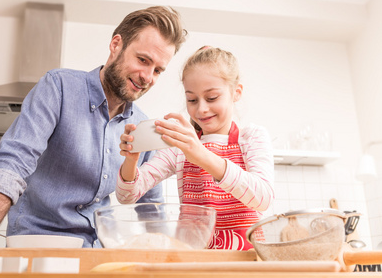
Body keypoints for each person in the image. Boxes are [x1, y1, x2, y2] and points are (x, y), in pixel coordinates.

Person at [0, 6, 187, 248]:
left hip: (98, 251)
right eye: (143, 60)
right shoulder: (58, 88)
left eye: (158, 70)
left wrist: (170, 258)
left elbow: (151, 207)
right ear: (116, 45)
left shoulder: (141, 125)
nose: (147, 77)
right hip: (38, 245)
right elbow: (11, 165)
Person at [117, 46, 274, 250]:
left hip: (245, 261)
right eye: (192, 99)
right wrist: (131, 160)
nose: (201, 109)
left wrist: (200, 153)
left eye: (211, 98)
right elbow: (126, 196)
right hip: (193, 260)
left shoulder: (251, 138)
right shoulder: (178, 146)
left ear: (236, 93)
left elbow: (263, 198)